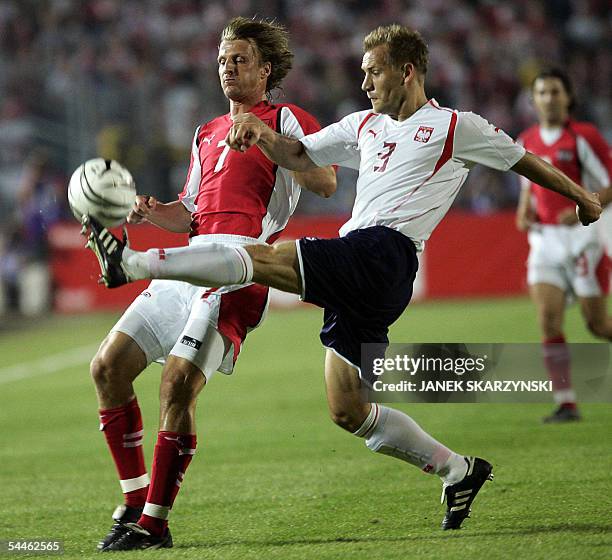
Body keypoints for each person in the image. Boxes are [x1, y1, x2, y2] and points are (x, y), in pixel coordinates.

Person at [85, 24, 602, 534]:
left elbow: (522, 160)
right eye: (362, 73)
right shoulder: (363, 126)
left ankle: (134, 264)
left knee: (266, 259)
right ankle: (458, 470)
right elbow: (302, 155)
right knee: (347, 405)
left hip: (384, 251)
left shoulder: (455, 126)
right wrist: (262, 138)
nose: (365, 83)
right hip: (364, 264)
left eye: (373, 72)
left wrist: (581, 196)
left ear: (406, 71)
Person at [86, 17, 335, 551]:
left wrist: (269, 139)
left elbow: (326, 179)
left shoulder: (287, 118)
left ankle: (153, 522)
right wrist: (155, 212)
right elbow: (194, 213)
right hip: (189, 261)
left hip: (241, 268)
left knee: (177, 384)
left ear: (266, 69)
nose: (228, 67)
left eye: (239, 58)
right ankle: (133, 500)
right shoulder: (207, 131)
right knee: (107, 368)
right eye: (223, 59)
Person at [515, 68, 612, 423]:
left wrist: (584, 206)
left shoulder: (583, 136)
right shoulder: (526, 139)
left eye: (555, 91)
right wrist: (523, 211)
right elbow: (530, 187)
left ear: (568, 97)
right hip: (544, 242)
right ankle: (566, 402)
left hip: (584, 240)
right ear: (533, 100)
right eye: (542, 92)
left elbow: (610, 184)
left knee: (598, 325)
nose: (549, 98)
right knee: (548, 321)